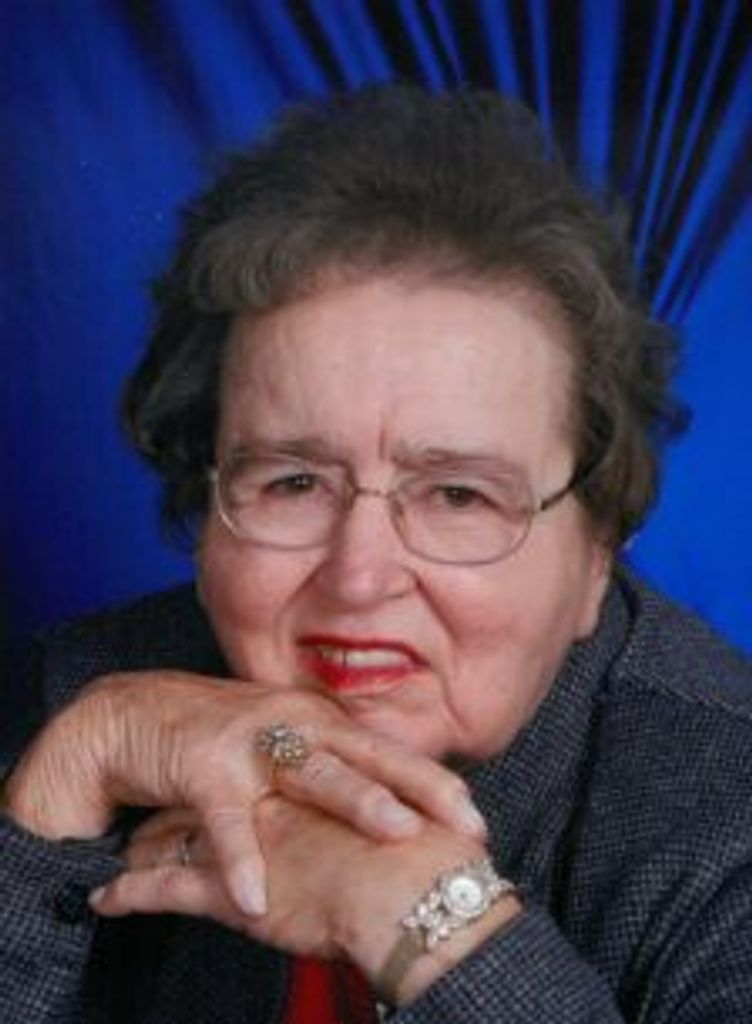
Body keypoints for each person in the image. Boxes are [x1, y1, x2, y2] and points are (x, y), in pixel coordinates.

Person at [2, 83, 751, 1024]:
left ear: (600, 550)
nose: (359, 579)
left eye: (459, 496)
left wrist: (430, 926)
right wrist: (57, 791)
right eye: (293, 482)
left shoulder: (729, 809)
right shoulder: (77, 705)